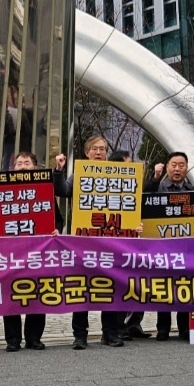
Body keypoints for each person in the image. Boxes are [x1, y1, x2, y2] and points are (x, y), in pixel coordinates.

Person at [55, 135, 129, 348]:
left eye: (103, 149)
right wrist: (59, 170)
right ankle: (80, 335)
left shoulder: (119, 174)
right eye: (95, 149)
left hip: (110, 242)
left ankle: (110, 333)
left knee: (110, 286)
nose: (99, 152)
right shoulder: (79, 173)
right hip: (83, 242)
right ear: (87, 152)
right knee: (82, 288)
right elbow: (62, 191)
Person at [136, 151, 194, 341]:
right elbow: (144, 198)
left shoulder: (193, 191)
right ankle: (162, 328)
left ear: (186, 168)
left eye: (181, 165)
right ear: (167, 167)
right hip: (161, 246)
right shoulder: (157, 188)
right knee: (163, 285)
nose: (177, 169)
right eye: (174, 165)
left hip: (185, 247)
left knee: (183, 284)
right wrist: (155, 177)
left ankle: (184, 327)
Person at [1, 152, 51, 352]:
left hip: (38, 250)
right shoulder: (2, 190)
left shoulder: (45, 189)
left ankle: (34, 338)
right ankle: (12, 339)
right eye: (19, 163)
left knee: (38, 292)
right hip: (10, 251)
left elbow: (56, 218)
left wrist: (55, 229)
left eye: (27, 163)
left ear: (35, 167)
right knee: (11, 294)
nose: (22, 167)